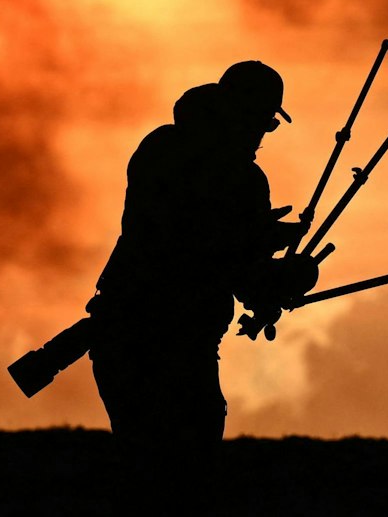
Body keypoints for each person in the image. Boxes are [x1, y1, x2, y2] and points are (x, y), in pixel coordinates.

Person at [85, 60, 320, 473]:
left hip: (172, 344)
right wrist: (260, 239)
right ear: (235, 112)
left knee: (167, 474)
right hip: (146, 339)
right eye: (261, 122)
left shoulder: (235, 176)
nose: (261, 136)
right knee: (170, 473)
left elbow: (241, 272)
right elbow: (182, 242)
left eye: (269, 126)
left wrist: (284, 279)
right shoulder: (169, 151)